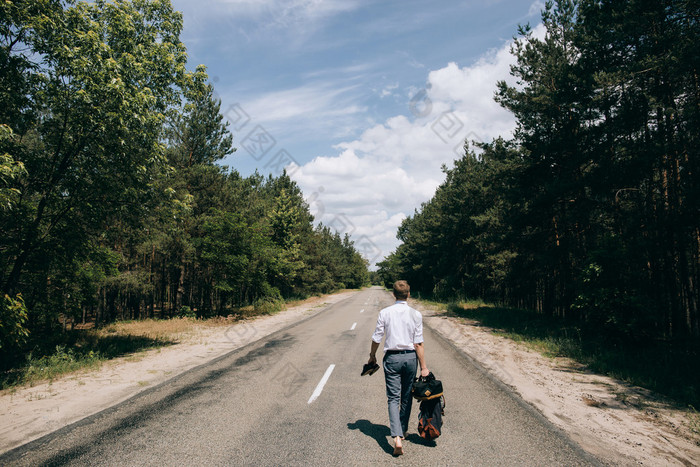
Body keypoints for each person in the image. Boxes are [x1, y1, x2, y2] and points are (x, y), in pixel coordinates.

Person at [367, 280, 429, 456]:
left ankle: (396, 437)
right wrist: (423, 367)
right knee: (407, 395)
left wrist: (372, 356)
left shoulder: (385, 313)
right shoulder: (416, 314)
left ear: (393, 294)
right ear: (408, 294)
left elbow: (377, 337)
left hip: (392, 358)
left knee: (393, 398)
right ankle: (402, 430)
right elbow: (418, 343)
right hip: (410, 358)